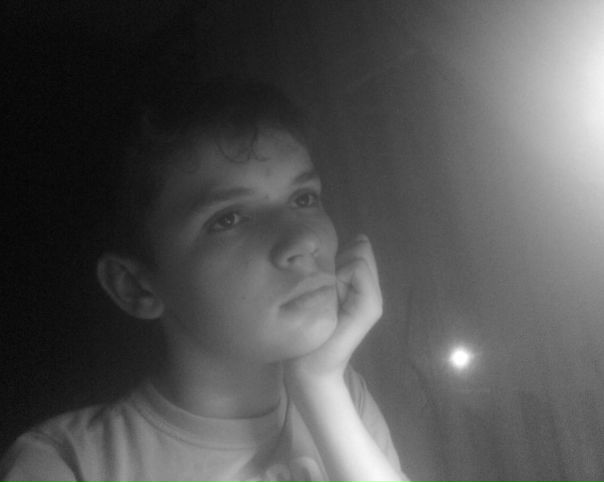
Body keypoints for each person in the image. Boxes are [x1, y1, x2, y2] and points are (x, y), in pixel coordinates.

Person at [0, 77, 408, 482]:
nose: (304, 240)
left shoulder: (341, 392)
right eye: (228, 219)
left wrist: (321, 387)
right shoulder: (67, 463)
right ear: (135, 286)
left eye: (304, 198)